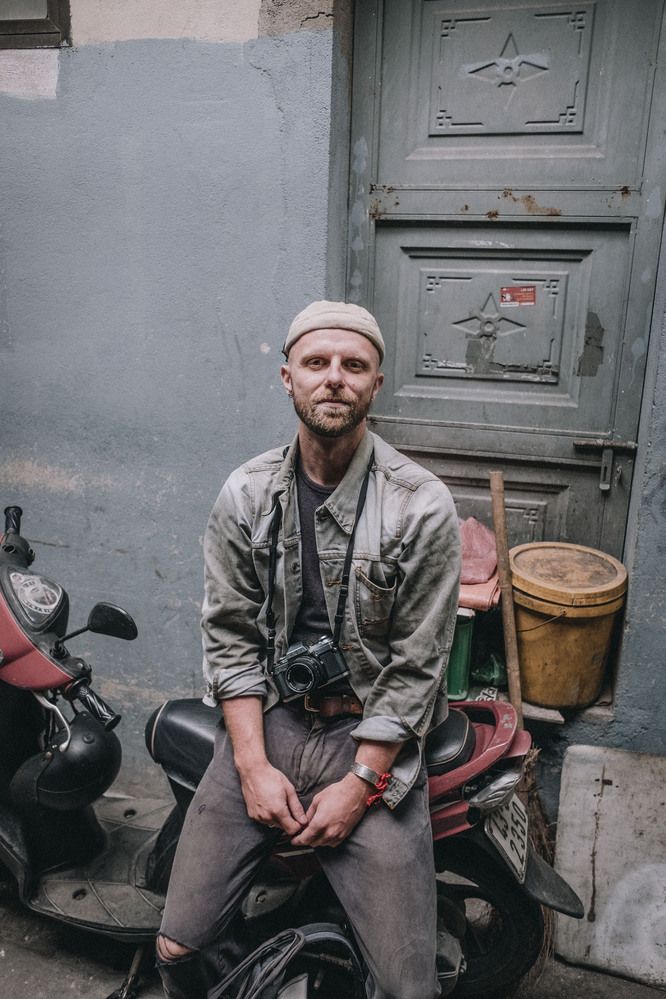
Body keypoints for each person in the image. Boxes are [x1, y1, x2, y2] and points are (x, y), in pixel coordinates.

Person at [156, 301, 461, 999]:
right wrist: (253, 763)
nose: (334, 379)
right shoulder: (246, 493)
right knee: (176, 944)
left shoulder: (420, 504)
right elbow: (229, 635)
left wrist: (360, 787)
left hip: (371, 733)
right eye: (318, 363)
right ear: (288, 376)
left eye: (353, 365)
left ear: (376, 383)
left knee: (410, 987)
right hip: (276, 719)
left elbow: (418, 666)